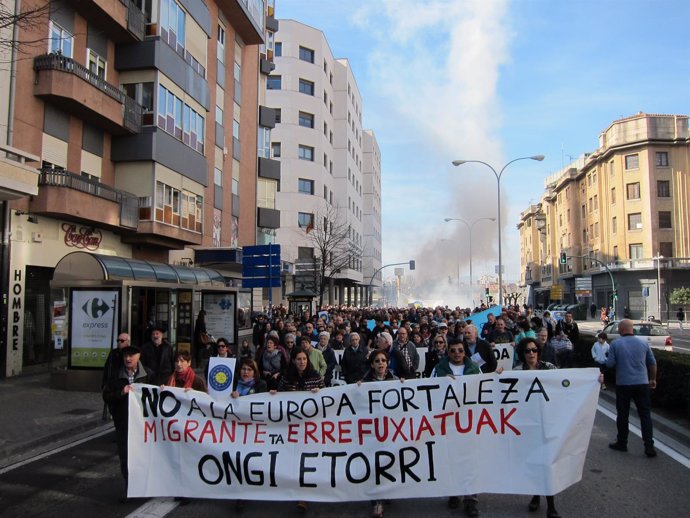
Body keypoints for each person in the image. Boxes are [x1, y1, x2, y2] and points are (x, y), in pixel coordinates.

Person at [513, 337, 560, 518]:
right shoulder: (517, 372)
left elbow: (568, 381)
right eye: (527, 351)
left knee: (547, 463)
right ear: (522, 354)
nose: (531, 353)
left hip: (547, 422)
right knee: (534, 463)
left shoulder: (549, 368)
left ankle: (551, 505)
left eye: (534, 350)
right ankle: (535, 495)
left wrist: (595, 378)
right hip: (527, 425)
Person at [431, 342, 480, 517]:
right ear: (448, 352)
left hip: (469, 422)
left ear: (464, 352)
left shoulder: (474, 369)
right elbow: (430, 391)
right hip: (448, 422)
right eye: (453, 351)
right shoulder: (439, 369)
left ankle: (471, 499)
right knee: (450, 459)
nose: (457, 353)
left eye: (460, 350)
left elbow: (484, 389)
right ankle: (453, 492)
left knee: (469, 462)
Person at [102, 345, 153, 502]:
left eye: (131, 356)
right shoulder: (116, 375)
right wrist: (121, 393)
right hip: (124, 423)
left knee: (144, 456)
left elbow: (157, 395)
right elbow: (106, 395)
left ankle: (146, 486)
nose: (128, 359)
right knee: (126, 457)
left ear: (139, 357)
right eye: (125, 356)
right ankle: (129, 487)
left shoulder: (149, 375)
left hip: (143, 425)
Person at [278, 347, 324, 512]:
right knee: (294, 459)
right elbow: (279, 398)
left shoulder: (315, 377)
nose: (302, 362)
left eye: (304, 359)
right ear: (293, 361)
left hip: (311, 427)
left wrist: (319, 393)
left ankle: (304, 495)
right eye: (298, 359)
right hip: (292, 427)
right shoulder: (286, 379)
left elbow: (326, 398)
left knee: (306, 459)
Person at [606, 319, 657, 457]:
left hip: (623, 384)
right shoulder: (643, 342)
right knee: (645, 414)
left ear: (621, 330)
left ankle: (622, 443)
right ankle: (649, 446)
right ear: (632, 329)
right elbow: (652, 363)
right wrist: (652, 379)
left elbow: (610, 364)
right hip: (642, 383)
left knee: (623, 414)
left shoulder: (615, 344)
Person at [360, 350, 399, 518]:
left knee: (390, 463)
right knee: (375, 465)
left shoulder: (395, 381)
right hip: (373, 431)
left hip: (391, 430)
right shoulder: (363, 383)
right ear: (372, 364)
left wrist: (402, 386)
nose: (381, 363)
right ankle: (377, 501)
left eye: (383, 360)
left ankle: (388, 492)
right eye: (377, 361)